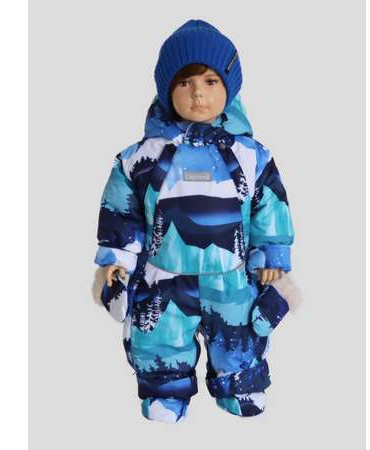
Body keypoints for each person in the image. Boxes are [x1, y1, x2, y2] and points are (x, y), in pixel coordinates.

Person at [94, 19, 297, 423]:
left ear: (229, 88)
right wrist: (117, 259)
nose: (198, 93)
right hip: (163, 276)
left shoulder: (251, 156)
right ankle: (165, 392)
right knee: (160, 338)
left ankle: (240, 386)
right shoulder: (140, 158)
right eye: (185, 82)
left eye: (210, 81)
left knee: (239, 334)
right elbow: (122, 211)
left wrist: (271, 255)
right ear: (167, 89)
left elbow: (269, 206)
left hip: (231, 276)